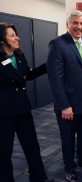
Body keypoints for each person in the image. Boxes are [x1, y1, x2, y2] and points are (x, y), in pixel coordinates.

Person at [47, 10, 82, 182]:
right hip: (68, 105)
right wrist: (64, 105)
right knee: (68, 139)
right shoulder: (57, 44)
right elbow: (56, 78)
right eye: (75, 23)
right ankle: (69, 168)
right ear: (67, 24)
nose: (79, 27)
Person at [0, 22, 53, 182]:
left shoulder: (19, 56)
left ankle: (39, 178)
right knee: (4, 152)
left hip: (23, 109)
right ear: (2, 40)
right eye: (12, 35)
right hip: (4, 112)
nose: (17, 37)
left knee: (32, 147)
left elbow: (28, 74)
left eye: (16, 34)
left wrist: (48, 65)